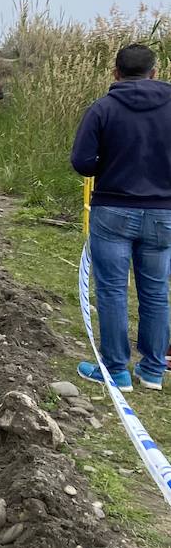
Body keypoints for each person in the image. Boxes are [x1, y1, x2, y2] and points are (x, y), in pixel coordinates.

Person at [72, 43, 171, 393]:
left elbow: (82, 162)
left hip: (112, 208)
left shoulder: (103, 108)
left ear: (115, 73)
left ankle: (116, 370)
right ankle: (154, 370)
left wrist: (110, 167)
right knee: (157, 291)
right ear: (155, 72)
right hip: (163, 213)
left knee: (113, 291)